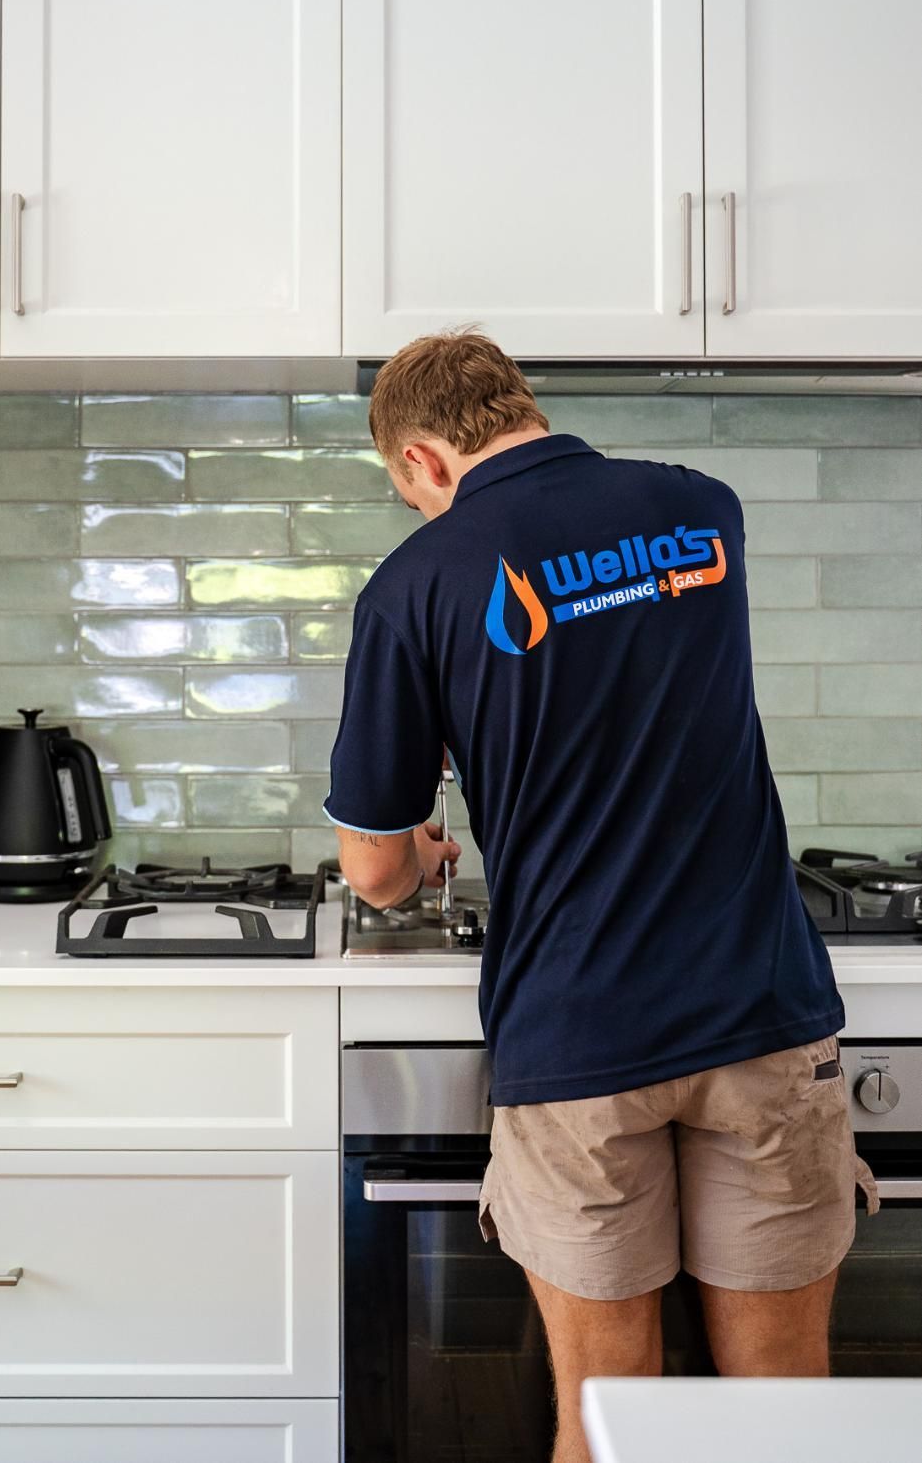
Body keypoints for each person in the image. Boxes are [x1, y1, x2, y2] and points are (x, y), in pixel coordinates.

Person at [324, 331, 877, 1463]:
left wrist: (431, 846)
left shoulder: (412, 585)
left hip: (578, 1038)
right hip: (757, 1009)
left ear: (424, 459)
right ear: (520, 405)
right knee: (786, 1417)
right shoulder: (702, 510)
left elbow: (374, 868)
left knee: (605, 1415)